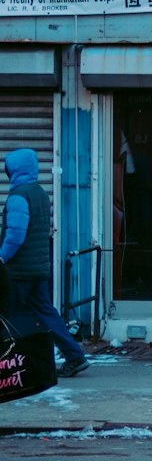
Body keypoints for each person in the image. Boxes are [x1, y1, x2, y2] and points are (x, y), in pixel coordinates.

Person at [0, 148, 88, 375]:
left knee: (3, 315)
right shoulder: (39, 192)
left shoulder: (19, 196)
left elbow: (16, 234)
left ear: (16, 169)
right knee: (47, 314)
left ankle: (5, 363)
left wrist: (2, 257)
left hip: (18, 271)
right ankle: (75, 356)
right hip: (38, 269)